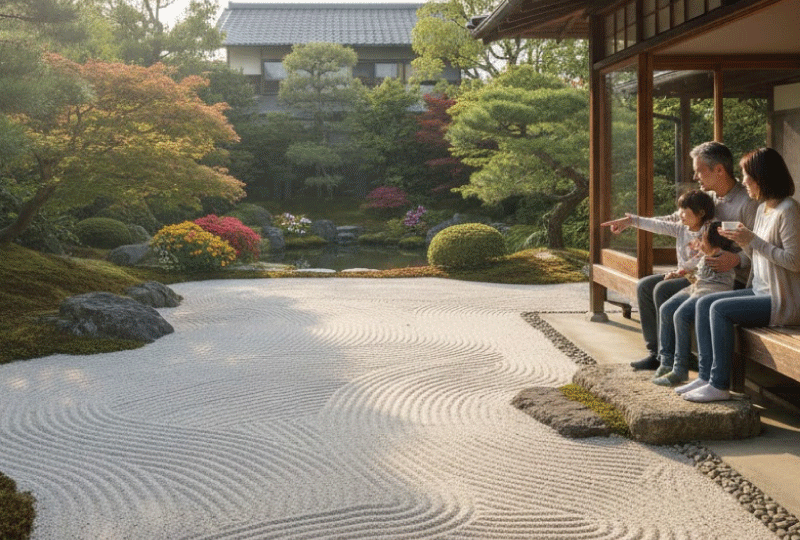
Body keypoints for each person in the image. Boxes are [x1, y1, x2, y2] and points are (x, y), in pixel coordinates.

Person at [603, 141, 758, 370]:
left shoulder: (747, 204)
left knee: (663, 289)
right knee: (645, 286)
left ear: (719, 170)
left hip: (729, 279)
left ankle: (680, 357)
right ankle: (659, 353)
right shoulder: (708, 196)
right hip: (698, 273)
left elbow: (759, 247)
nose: (695, 176)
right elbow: (673, 221)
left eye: (699, 170)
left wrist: (738, 260)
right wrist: (631, 221)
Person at [680, 147, 800, 402]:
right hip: (761, 290)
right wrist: (742, 241)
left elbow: (794, 262)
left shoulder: (788, 210)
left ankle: (720, 384)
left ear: (763, 177)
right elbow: (758, 254)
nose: (743, 181)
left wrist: (753, 240)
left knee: (719, 310)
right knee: (704, 302)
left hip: (782, 300)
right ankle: (706, 377)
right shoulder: (762, 209)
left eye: (747, 176)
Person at [652, 222, 736, 387]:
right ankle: (666, 361)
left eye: (703, 239)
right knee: (666, 309)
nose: (699, 242)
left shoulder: (721, 257)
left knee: (680, 316)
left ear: (714, 243)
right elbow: (694, 265)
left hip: (710, 292)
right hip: (697, 288)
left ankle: (679, 368)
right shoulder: (706, 253)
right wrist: (680, 272)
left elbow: (713, 275)